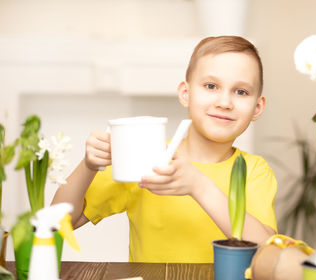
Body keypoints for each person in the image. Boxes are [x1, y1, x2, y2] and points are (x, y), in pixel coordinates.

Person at [52, 35, 278, 263]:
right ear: (186, 94)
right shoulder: (146, 158)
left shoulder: (254, 170)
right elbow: (59, 221)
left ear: (257, 107)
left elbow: (268, 253)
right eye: (211, 86)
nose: (224, 102)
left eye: (241, 92)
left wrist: (198, 186)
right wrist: (88, 165)